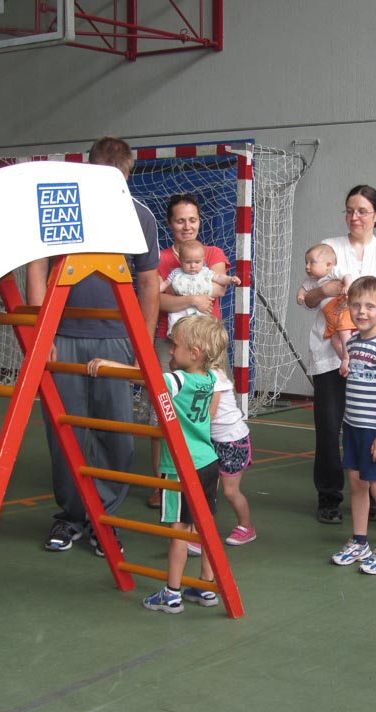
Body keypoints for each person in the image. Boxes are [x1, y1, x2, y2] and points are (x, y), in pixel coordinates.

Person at [26, 136, 160, 553]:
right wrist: (40, 333)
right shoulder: (63, 207)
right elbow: (37, 267)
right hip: (62, 337)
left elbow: (149, 283)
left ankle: (104, 519)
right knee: (64, 432)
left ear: (127, 174)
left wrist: (142, 344)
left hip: (117, 340)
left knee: (116, 434)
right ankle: (70, 517)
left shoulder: (139, 216)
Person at [88, 315, 225, 613]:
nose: (171, 350)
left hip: (181, 466)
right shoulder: (210, 379)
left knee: (179, 531)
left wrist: (108, 365)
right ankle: (206, 585)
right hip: (208, 461)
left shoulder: (178, 380)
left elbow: (144, 376)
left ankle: (171, 593)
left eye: (175, 345)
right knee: (204, 526)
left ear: (194, 353)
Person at [301, 185, 376, 525]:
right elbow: (308, 298)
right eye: (349, 210)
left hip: (372, 353)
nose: (354, 217)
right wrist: (328, 289)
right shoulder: (329, 246)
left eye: (362, 211)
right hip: (330, 353)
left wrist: (359, 295)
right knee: (328, 427)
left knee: (370, 424)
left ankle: (375, 493)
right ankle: (329, 496)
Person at [148, 193, 229, 509]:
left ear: (199, 221)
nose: (187, 226)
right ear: (170, 224)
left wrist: (178, 297)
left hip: (207, 343)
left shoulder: (212, 253)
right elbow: (155, 299)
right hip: (168, 342)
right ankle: (162, 483)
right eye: (180, 220)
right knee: (162, 411)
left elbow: (217, 289)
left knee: (208, 410)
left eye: (192, 219)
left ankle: (207, 478)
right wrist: (192, 300)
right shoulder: (160, 259)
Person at [329, 277, 376, 575]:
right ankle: (360, 541)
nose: (362, 311)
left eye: (370, 306)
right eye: (357, 305)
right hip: (354, 428)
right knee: (357, 484)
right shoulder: (354, 343)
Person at [209, 346, 256, 546]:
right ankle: (200, 530)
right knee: (207, 489)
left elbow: (209, 415)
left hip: (232, 441)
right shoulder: (195, 376)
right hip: (213, 439)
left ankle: (246, 527)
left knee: (230, 491)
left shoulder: (215, 377)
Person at [160, 239, 241, 335]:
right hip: (181, 309)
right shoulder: (176, 273)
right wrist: (157, 290)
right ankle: (173, 333)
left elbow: (219, 278)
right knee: (174, 318)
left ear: (203, 260)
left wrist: (230, 279)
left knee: (204, 324)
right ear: (180, 261)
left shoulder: (205, 272)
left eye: (197, 262)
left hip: (201, 309)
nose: (193, 266)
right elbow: (166, 283)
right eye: (188, 262)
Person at [297, 243, 355, 376]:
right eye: (306, 262)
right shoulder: (311, 280)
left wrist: (348, 286)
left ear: (328, 265)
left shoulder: (333, 272)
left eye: (312, 263)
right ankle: (344, 360)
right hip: (330, 317)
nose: (307, 266)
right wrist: (300, 295)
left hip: (341, 312)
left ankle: (347, 358)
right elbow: (303, 289)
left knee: (344, 333)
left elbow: (347, 276)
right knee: (334, 340)